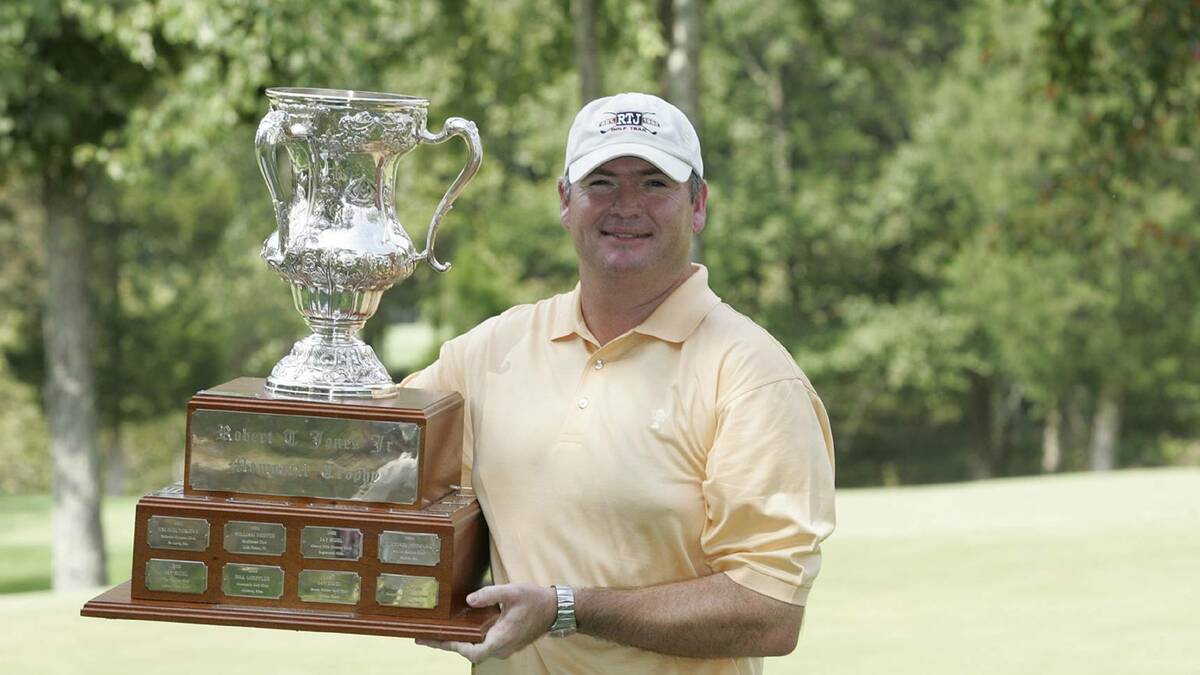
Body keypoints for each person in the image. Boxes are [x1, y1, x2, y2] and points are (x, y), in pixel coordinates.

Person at [407, 92, 835, 674]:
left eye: (655, 183)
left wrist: (567, 608)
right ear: (565, 201)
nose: (626, 205)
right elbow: (379, 462)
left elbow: (769, 611)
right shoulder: (491, 351)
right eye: (601, 182)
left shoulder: (753, 377)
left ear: (698, 204)